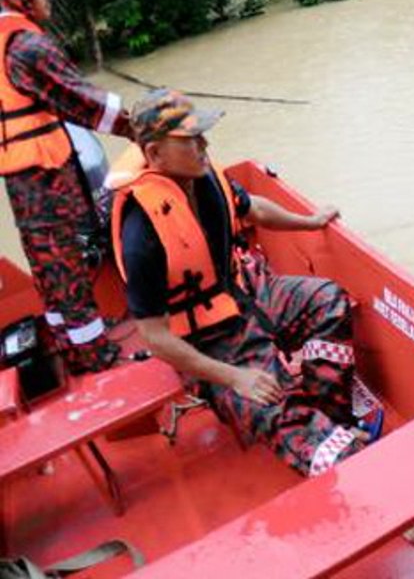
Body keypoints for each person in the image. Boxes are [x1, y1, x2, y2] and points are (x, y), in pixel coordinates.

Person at [110, 89, 375, 478]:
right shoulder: (142, 231)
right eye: (189, 140)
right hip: (207, 342)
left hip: (244, 296)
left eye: (201, 134)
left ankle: (331, 416)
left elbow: (251, 206)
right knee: (273, 401)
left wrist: (310, 221)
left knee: (327, 300)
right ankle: (345, 460)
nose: (204, 145)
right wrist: (236, 378)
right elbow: (155, 338)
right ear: (154, 155)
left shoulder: (203, 175)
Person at [0, 0, 132, 374]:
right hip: (43, 175)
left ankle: (69, 344)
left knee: (46, 263)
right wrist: (137, 126)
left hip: (21, 178)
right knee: (66, 263)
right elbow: (80, 100)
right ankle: (95, 355)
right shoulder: (29, 47)